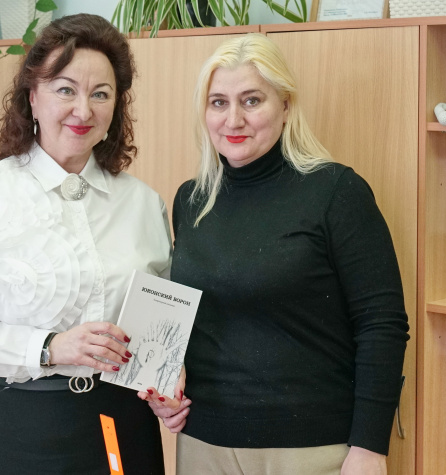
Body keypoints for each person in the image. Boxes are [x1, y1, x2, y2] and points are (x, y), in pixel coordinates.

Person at [139, 33, 409, 475]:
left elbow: (382, 324)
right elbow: (190, 314)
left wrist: (369, 446)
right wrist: (165, 383)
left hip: (310, 447)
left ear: (285, 106)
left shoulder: (336, 192)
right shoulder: (192, 199)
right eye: (219, 102)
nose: (234, 119)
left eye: (252, 100)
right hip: (204, 441)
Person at [0, 14, 171, 475]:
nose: (83, 110)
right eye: (65, 89)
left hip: (125, 418)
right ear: (32, 97)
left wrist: (168, 381)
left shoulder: (143, 203)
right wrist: (48, 347)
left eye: (101, 94)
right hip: (27, 423)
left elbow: (163, 316)